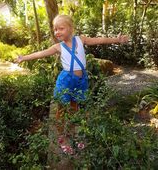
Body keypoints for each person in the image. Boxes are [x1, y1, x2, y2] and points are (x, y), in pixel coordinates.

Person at [17, 14, 128, 154]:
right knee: (62, 110)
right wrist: (24, 58)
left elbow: (100, 40)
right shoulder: (58, 47)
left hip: (81, 80)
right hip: (66, 80)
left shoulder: (81, 40)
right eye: (55, 29)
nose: (57, 32)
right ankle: (62, 138)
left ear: (70, 28)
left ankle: (74, 136)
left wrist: (117, 40)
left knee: (75, 107)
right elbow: (41, 53)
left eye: (60, 28)